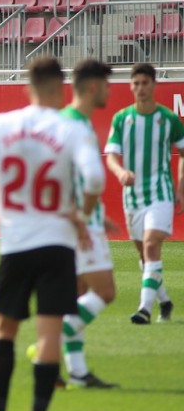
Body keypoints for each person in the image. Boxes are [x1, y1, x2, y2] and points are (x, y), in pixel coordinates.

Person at [0, 57, 105, 411]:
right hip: (57, 243)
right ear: (60, 87)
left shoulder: (5, 125)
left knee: (4, 327)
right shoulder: (70, 129)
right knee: (49, 332)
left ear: (29, 86)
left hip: (15, 243)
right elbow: (95, 178)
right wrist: (81, 217)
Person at [105, 63, 184, 324]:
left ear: (153, 85)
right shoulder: (122, 119)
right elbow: (112, 156)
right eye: (135, 83)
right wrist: (119, 173)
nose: (140, 88)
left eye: (144, 83)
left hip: (160, 193)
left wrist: (180, 186)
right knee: (144, 257)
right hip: (133, 198)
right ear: (130, 86)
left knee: (151, 246)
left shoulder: (168, 119)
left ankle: (144, 309)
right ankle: (165, 301)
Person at [58, 59, 119, 389]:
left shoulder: (65, 121)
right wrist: (84, 217)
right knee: (105, 292)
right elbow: (86, 179)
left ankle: (76, 371)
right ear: (93, 86)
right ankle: (47, 349)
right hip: (80, 225)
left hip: (76, 220)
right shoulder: (77, 126)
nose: (110, 91)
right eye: (108, 85)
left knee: (77, 296)